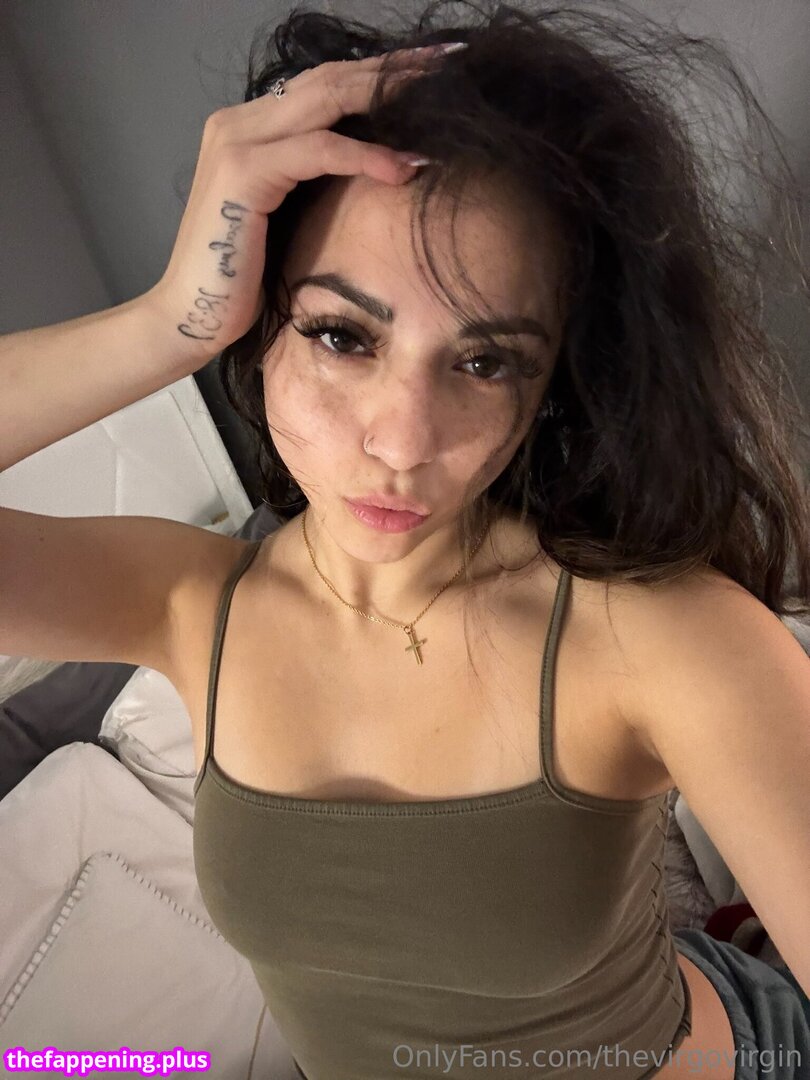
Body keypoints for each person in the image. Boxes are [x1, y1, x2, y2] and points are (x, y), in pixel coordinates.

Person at [1, 1, 808, 1077]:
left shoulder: (663, 640)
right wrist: (167, 321)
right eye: (341, 335)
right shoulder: (194, 605)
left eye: (485, 361)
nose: (404, 441)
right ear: (259, 327)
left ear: (548, 385)